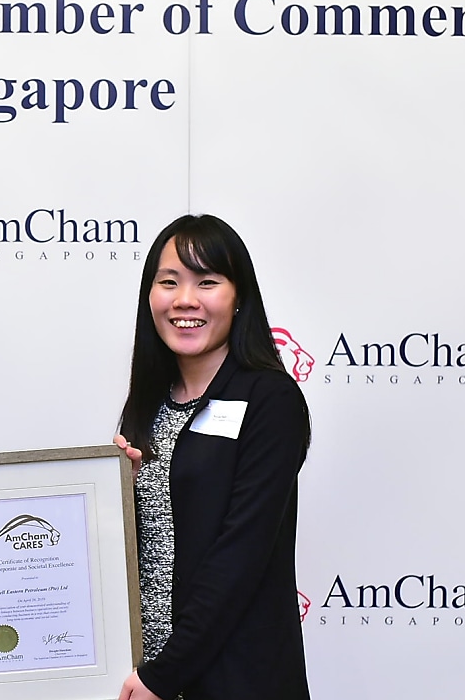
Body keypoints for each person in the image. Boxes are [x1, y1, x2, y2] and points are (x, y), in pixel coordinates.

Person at [114, 214, 311, 700]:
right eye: (169, 282)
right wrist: (115, 491)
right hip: (146, 667)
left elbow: (239, 555)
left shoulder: (270, 400)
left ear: (239, 295)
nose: (185, 300)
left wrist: (166, 675)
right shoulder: (149, 403)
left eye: (207, 281)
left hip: (229, 675)